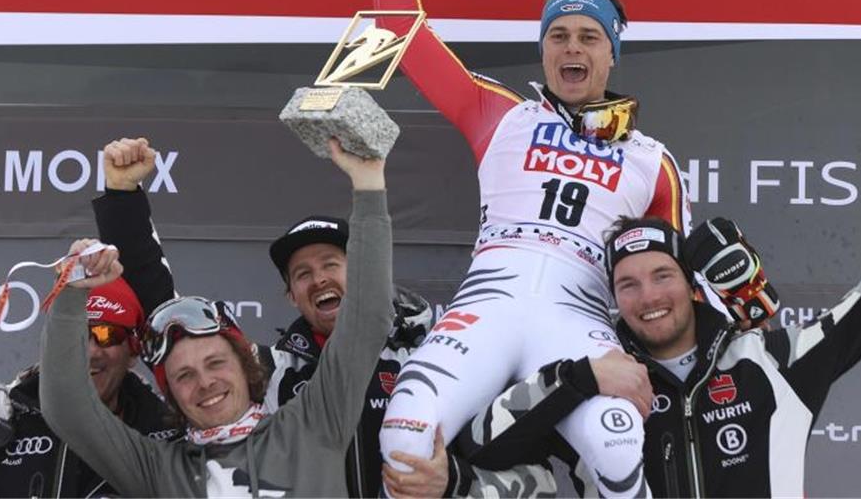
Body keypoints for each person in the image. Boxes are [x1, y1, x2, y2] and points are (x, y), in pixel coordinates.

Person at [372, 0, 694, 496]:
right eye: (557, 35)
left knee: (620, 443)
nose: (571, 48)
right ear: (544, 49)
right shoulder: (501, 115)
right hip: (488, 306)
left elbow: (670, 289)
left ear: (611, 54)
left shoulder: (653, 161)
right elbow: (401, 35)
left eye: (588, 37)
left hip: (577, 324)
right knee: (406, 438)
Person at [451, 147, 861, 497]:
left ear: (693, 286)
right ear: (612, 297)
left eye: (661, 276)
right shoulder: (591, 382)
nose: (648, 296)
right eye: (628, 284)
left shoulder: (773, 362)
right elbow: (479, 446)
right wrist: (580, 380)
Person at [96, 134, 556, 497]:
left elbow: (533, 468)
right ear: (290, 296)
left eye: (331, 265)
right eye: (302, 274)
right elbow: (167, 315)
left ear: (365, 273)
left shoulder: (440, 354)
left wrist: (453, 482)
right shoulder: (268, 374)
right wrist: (122, 198)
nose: (318, 280)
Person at [40, 137, 394, 497]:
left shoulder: (310, 425)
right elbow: (68, 408)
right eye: (184, 376)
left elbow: (367, 318)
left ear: (247, 366)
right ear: (171, 395)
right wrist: (71, 291)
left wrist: (369, 187)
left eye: (216, 362)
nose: (205, 382)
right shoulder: (157, 469)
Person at [0, 277, 176, 497]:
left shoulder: (171, 437)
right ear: (53, 342)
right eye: (76, 334)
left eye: (107, 334)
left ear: (132, 351)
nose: (91, 352)